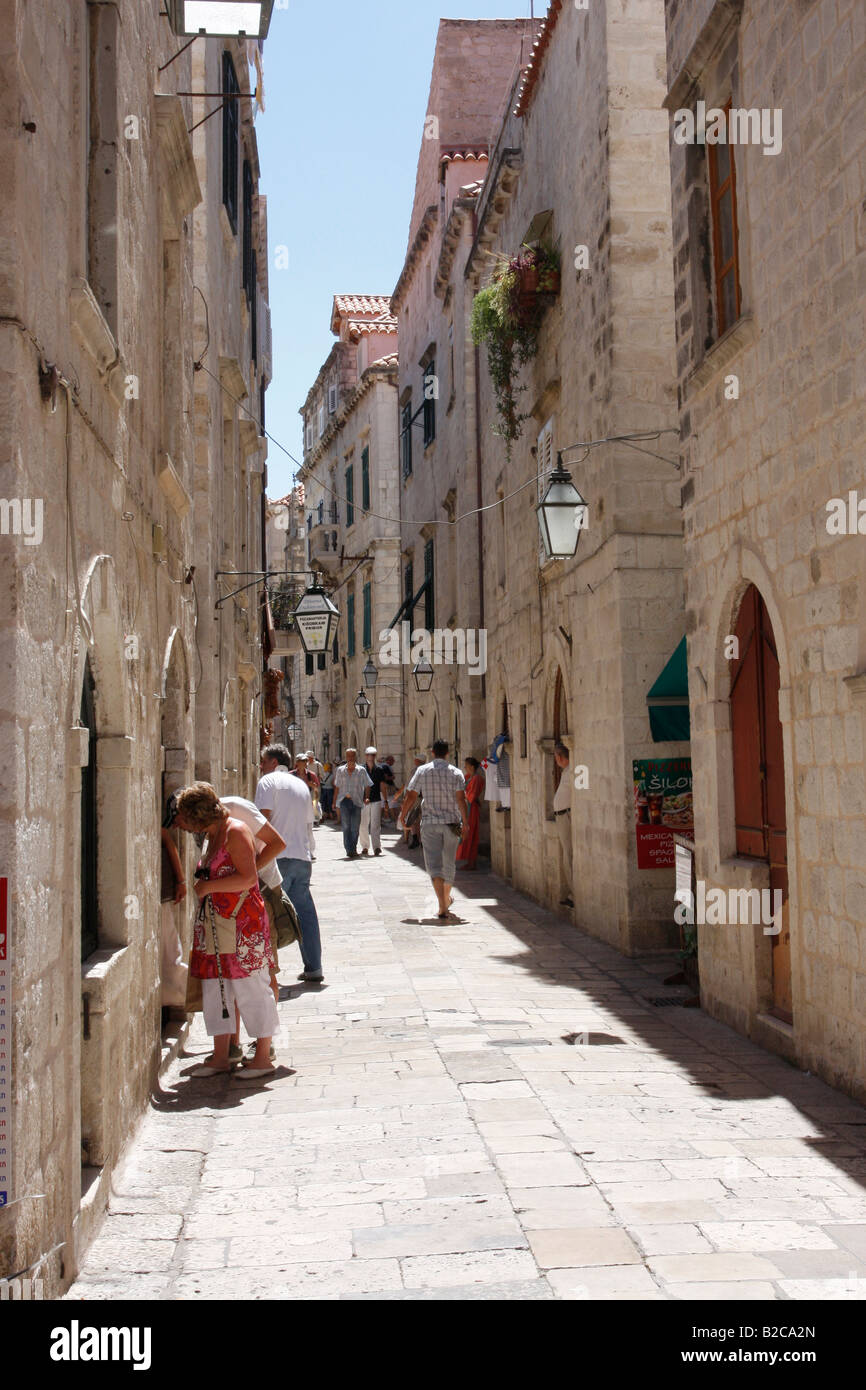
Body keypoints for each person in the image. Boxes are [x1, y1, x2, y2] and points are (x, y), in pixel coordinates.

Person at [173, 783, 279, 1079]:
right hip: (216, 924)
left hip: (242, 923)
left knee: (251, 988)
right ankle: (221, 1056)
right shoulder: (212, 835)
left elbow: (248, 878)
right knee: (216, 988)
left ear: (199, 815)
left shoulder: (235, 832)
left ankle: (262, 1057)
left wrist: (209, 886)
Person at [256, 743, 325, 984]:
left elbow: (261, 820)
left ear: (274, 762)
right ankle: (314, 967)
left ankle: (266, 972)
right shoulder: (301, 785)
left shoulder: (267, 782)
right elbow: (308, 821)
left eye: (263, 761)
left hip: (276, 858)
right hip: (301, 856)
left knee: (267, 912)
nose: (261, 766)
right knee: (305, 912)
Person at [399, 739, 469, 918]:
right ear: (447, 753)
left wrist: (403, 814)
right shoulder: (456, 773)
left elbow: (411, 795)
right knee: (449, 864)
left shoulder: (423, 771)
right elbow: (461, 799)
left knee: (434, 866)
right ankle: (445, 901)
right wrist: (466, 821)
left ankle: (443, 904)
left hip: (430, 823)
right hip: (452, 824)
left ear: (432, 752)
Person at [333, 747, 372, 858]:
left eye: (352, 755)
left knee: (355, 827)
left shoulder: (361, 770)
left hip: (357, 801)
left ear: (355, 757)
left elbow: (368, 784)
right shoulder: (340, 770)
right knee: (346, 826)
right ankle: (349, 849)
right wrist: (334, 802)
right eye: (348, 756)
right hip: (344, 801)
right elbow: (337, 786)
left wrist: (367, 797)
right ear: (346, 757)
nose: (350, 758)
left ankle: (353, 847)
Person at [359, 746, 394, 856]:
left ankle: (377, 847)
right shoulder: (361, 769)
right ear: (366, 756)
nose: (371, 757)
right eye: (369, 754)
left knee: (376, 824)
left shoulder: (379, 770)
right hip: (364, 800)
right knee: (363, 824)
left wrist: (386, 800)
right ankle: (365, 846)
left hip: (376, 799)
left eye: (373, 754)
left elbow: (382, 785)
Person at [553, 741, 574, 908]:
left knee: (569, 855)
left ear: (560, 757)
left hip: (568, 816)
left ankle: (575, 894)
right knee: (567, 855)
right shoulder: (567, 771)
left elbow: (582, 791)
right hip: (562, 816)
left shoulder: (576, 770)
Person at [456, 757, 484, 870]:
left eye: (466, 765)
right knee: (466, 833)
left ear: (472, 767)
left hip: (471, 809)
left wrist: (463, 795)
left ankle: (472, 862)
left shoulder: (477, 779)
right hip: (467, 807)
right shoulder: (468, 777)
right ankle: (469, 860)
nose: (465, 767)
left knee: (471, 833)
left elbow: (471, 795)